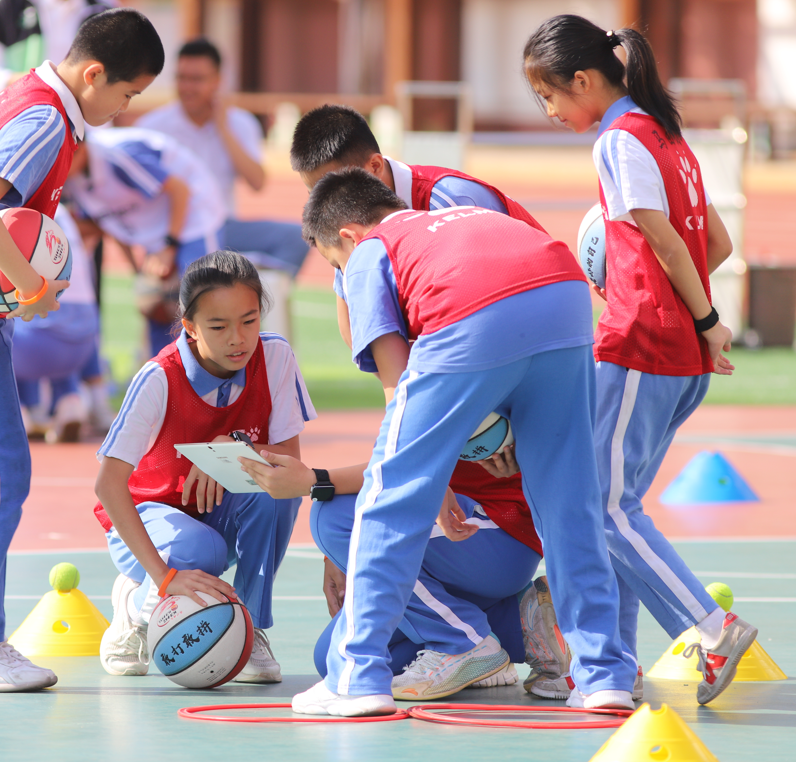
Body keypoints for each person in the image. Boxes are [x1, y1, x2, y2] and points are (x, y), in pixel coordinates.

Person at [291, 168, 634, 717]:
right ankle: (602, 675)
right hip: (564, 293)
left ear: (350, 237)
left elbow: (395, 388)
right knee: (569, 500)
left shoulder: (372, 250)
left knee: (389, 492)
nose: (342, 275)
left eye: (336, 264)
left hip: (476, 313)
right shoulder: (458, 216)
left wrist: (429, 474)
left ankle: (356, 675)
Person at [0, 8, 164, 693]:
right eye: (127, 94)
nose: (124, 109)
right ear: (94, 74)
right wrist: (30, 283)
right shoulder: (46, 118)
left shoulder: (30, 93)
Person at [522, 15, 756, 707]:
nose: (549, 111)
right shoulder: (667, 135)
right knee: (615, 511)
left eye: (550, 96)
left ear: (585, 81)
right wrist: (692, 315)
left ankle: (710, 628)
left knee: (600, 513)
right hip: (673, 351)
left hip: (640, 347)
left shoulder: (617, 140)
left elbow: (662, 239)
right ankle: (612, 669)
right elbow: (715, 243)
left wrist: (702, 319)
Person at [94, 252, 315, 684]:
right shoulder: (159, 378)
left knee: (278, 491)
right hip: (146, 519)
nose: (239, 339)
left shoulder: (275, 357)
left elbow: (291, 461)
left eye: (249, 321)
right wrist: (163, 576)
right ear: (190, 327)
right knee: (201, 551)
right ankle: (136, 602)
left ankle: (250, 625)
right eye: (218, 326)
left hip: (220, 514)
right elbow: (108, 484)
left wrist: (227, 449)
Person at [242, 440, 568, 701]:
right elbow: (398, 454)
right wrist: (340, 556)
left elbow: (402, 466)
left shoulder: (443, 361)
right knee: (335, 657)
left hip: (496, 533)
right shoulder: (421, 362)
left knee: (333, 516)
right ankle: (521, 625)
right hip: (460, 547)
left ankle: (463, 641)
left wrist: (314, 480)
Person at [290, 104, 546, 350]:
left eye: (331, 185)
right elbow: (355, 326)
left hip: (532, 322)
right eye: (314, 191)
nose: (322, 200)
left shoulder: (452, 200)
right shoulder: (342, 221)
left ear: (375, 167)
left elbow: (501, 298)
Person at [137, 39, 310, 336]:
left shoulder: (239, 123)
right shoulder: (152, 127)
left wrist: (223, 128)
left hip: (225, 228)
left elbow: (257, 183)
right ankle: (181, 329)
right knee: (186, 275)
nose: (187, 87)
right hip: (177, 233)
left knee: (298, 236)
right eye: (181, 78)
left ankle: (252, 307)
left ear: (218, 81)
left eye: (198, 79)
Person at [63, 126, 226, 355]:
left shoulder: (118, 155)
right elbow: (110, 221)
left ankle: (215, 378)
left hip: (193, 213)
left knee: (201, 301)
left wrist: (170, 246)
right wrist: (136, 270)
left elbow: (180, 190)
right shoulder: (70, 176)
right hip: (153, 222)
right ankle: (167, 381)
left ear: (79, 148)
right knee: (154, 304)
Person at [12, 204, 101, 442]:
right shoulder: (58, 206)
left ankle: (14, 409)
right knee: (53, 313)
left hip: (33, 345)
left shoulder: (4, 202)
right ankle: (70, 401)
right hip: (83, 341)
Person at [0, 0, 115, 102]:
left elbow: (122, 80)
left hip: (89, 139)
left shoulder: (106, 9)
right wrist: (37, 84)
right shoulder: (4, 5)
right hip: (22, 130)